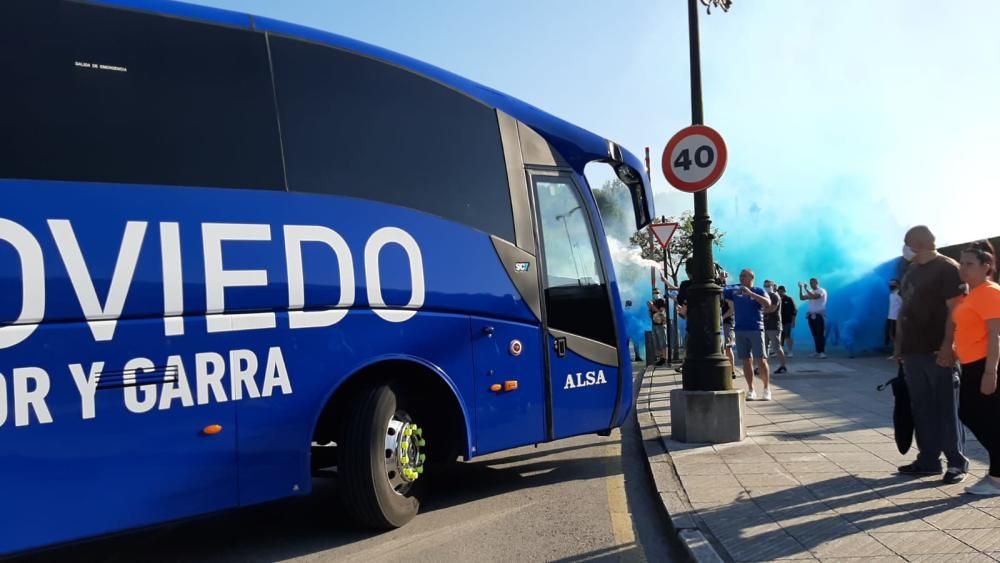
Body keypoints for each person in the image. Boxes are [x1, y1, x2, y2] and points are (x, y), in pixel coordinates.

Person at [895, 225, 969, 484]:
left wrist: (950, 346)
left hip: (939, 351)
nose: (903, 247)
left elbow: (956, 311)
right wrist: (899, 347)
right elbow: (905, 307)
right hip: (913, 351)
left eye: (906, 242)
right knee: (922, 408)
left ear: (919, 243)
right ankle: (928, 460)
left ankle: (956, 462)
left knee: (946, 408)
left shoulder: (948, 268)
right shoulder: (911, 270)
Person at [952, 241, 1000, 495]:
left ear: (986, 266)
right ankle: (995, 474)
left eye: (969, 263)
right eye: (962, 262)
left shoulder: (990, 292)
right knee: (980, 417)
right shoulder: (972, 294)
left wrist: (990, 372)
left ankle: (998, 477)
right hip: (970, 364)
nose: (963, 268)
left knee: (977, 416)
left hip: (984, 364)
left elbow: (996, 335)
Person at [724, 269, 773, 400]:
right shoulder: (735, 290)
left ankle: (766, 388)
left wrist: (751, 294)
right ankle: (751, 389)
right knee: (746, 361)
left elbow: (768, 304)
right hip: (740, 330)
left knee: (761, 360)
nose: (741, 278)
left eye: (744, 276)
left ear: (752, 277)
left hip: (756, 329)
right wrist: (723, 280)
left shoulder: (759, 290)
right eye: (740, 275)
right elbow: (720, 291)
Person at [799, 278, 828, 359]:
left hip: (819, 316)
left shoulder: (821, 290)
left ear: (817, 283)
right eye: (810, 283)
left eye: (812, 283)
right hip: (811, 316)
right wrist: (801, 288)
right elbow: (802, 298)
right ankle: (817, 351)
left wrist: (806, 289)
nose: (811, 284)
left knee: (820, 334)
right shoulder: (811, 291)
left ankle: (822, 352)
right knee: (815, 334)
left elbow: (815, 297)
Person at [763, 280, 787, 374]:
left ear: (773, 286)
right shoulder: (765, 296)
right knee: (764, 348)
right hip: (765, 325)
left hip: (774, 326)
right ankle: (762, 366)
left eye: (768, 285)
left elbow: (772, 308)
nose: (767, 287)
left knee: (776, 347)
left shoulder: (775, 296)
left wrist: (760, 311)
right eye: (765, 285)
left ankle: (783, 366)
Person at [778, 285, 798, 358]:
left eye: (782, 291)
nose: (780, 292)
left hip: (787, 322)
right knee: (779, 337)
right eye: (779, 291)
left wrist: (793, 321)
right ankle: (780, 351)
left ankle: (790, 351)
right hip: (778, 322)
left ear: (784, 291)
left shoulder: (789, 299)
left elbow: (794, 311)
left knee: (787, 336)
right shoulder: (777, 299)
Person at [886, 279, 902, 357]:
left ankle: (898, 353)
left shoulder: (899, 294)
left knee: (896, 336)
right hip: (891, 317)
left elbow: (903, 305)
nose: (891, 285)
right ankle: (896, 352)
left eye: (893, 284)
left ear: (898, 285)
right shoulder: (891, 294)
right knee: (892, 335)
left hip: (897, 318)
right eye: (890, 284)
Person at [651, 297, 668, 366]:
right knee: (657, 342)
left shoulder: (661, 301)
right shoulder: (652, 301)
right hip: (654, 324)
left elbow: (662, 313)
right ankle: (661, 358)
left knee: (662, 342)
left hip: (660, 325)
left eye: (656, 292)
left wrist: (653, 307)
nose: (655, 293)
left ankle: (664, 358)